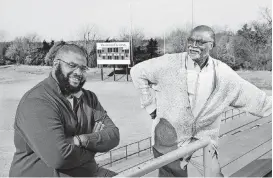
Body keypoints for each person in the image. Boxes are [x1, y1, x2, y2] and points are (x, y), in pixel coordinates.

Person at [130, 25, 272, 177]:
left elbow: (256, 99)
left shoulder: (223, 73)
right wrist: (150, 106)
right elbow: (137, 72)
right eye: (190, 40)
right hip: (168, 143)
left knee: (214, 175)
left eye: (200, 42)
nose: (193, 45)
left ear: (211, 45)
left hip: (204, 143)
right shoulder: (168, 63)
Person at [9, 42, 120, 177]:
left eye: (83, 68)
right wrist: (95, 146)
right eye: (72, 66)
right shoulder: (37, 102)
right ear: (56, 64)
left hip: (88, 173)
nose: (78, 73)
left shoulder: (89, 98)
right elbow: (59, 157)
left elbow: (114, 135)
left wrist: (81, 140)